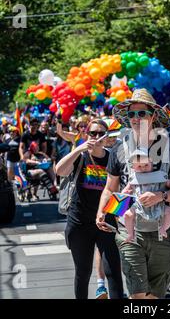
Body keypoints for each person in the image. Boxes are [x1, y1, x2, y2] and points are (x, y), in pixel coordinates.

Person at [96, 88, 170, 299]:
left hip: (163, 230)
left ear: (153, 115)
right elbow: (111, 188)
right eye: (131, 114)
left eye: (142, 113)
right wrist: (101, 212)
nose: (136, 119)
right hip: (130, 229)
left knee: (155, 294)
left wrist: (161, 196)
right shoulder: (119, 149)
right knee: (137, 294)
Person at [56, 119, 123, 299]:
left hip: (105, 221)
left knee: (113, 270)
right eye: (92, 133)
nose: (96, 137)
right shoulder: (80, 156)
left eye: (101, 133)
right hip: (79, 222)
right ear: (87, 135)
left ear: (106, 136)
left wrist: (119, 216)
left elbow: (121, 190)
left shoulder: (113, 158)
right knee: (83, 272)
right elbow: (60, 170)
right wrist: (78, 148)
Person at [122, 149, 170, 242]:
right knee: (127, 215)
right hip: (139, 205)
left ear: (152, 163)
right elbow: (127, 189)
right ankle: (130, 234)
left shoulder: (158, 175)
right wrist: (125, 192)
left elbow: (168, 182)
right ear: (133, 167)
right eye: (139, 166)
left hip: (159, 204)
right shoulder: (134, 177)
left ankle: (163, 228)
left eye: (146, 165)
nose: (143, 168)